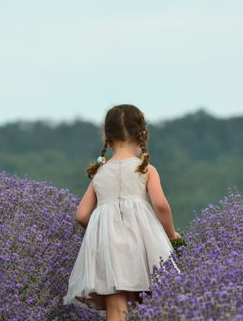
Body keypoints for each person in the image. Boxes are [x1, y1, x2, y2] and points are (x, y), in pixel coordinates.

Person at [62, 104, 182, 321]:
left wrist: (103, 228)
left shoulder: (100, 173)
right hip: (141, 244)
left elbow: (81, 215)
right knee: (155, 303)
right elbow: (161, 206)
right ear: (142, 135)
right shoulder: (145, 169)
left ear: (106, 138)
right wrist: (171, 235)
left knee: (116, 310)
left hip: (108, 248)